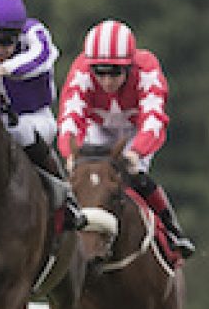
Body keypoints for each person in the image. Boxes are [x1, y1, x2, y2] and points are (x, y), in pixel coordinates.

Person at [57, 19, 194, 257]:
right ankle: (56, 234)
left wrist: (136, 152)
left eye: (115, 73)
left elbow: (153, 118)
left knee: (136, 174)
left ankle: (172, 230)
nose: (107, 81)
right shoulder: (81, 71)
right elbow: (70, 116)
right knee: (80, 177)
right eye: (100, 73)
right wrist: (70, 154)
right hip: (97, 128)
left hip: (134, 131)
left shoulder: (147, 69)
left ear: (130, 67)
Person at [0, 0, 84, 230]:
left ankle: (65, 196)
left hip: (33, 116)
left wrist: (5, 69)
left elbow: (43, 55)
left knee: (21, 132)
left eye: (6, 42)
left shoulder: (35, 33)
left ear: (18, 34)